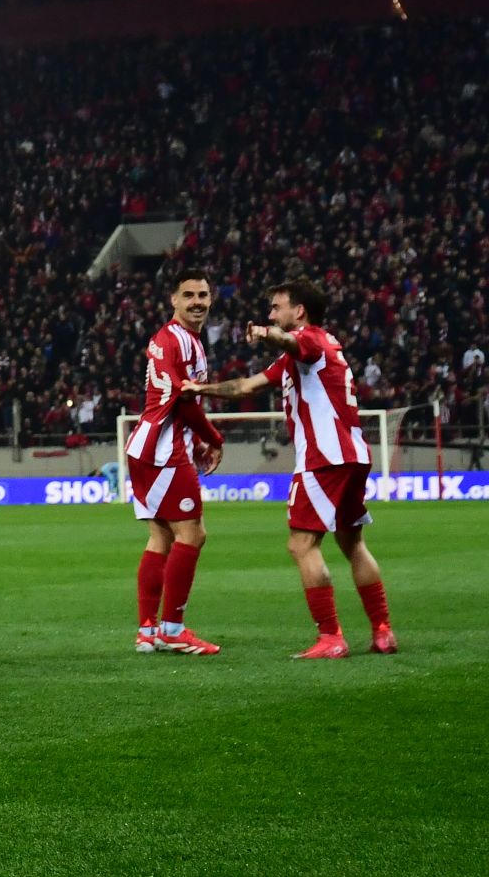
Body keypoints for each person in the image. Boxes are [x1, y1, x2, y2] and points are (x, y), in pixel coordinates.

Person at [184, 278, 398, 658]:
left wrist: (265, 333)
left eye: (276, 307)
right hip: (352, 455)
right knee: (352, 543)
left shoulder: (310, 340)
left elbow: (288, 339)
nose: (271, 314)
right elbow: (247, 386)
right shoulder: (309, 352)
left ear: (298, 311)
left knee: (301, 544)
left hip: (323, 459)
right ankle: (383, 631)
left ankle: (331, 638)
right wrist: (200, 389)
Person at [124, 270, 226, 655]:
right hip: (163, 452)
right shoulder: (178, 340)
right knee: (193, 534)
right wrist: (213, 438)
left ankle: (147, 630)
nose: (197, 302)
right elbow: (184, 398)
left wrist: (196, 440)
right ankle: (172, 628)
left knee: (161, 537)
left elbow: (177, 399)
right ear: (173, 300)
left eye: (203, 295)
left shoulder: (177, 339)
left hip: (149, 446)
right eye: (189, 295)